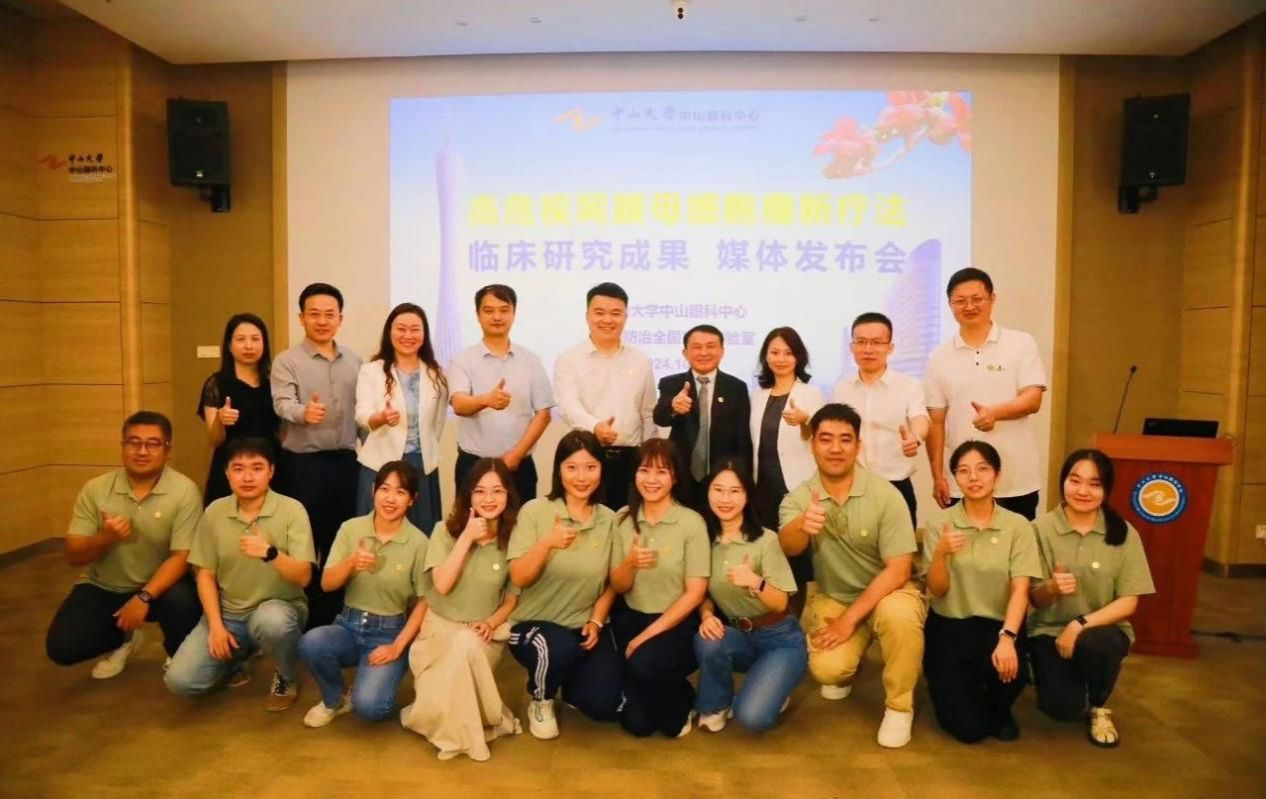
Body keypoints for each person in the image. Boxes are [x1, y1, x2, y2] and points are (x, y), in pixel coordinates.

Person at [779, 403, 925, 749]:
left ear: (858, 445)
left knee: (899, 617)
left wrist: (848, 621)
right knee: (828, 670)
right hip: (836, 596)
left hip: (890, 592)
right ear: (812, 444)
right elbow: (788, 546)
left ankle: (899, 707)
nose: (835, 448)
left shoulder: (886, 494)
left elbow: (899, 568)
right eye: (826, 439)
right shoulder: (800, 497)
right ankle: (851, 664)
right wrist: (802, 525)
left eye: (845, 440)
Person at [45, 411, 203, 678]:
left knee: (183, 601)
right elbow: (73, 556)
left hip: (162, 587)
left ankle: (178, 653)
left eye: (153, 444)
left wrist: (143, 597)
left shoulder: (184, 490)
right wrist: (106, 537)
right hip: (105, 585)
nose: (142, 451)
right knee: (62, 647)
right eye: (134, 442)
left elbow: (181, 557)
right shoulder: (96, 489)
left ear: (167, 449)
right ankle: (123, 638)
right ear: (123, 446)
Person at [165, 438, 316, 711]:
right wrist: (216, 627)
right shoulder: (215, 511)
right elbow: (205, 574)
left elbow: (304, 577)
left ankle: (286, 675)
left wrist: (270, 553)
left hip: (281, 607)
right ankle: (237, 659)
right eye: (238, 468)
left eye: (257, 468)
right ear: (226, 473)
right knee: (180, 681)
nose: (247, 477)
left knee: (271, 622)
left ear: (271, 471)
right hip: (230, 614)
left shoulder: (292, 509)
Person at [1029, 449, 1156, 748]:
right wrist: (1052, 587)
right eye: (1075, 480)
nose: (1083, 491)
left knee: (1101, 643)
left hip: (1100, 631)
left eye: (1094, 483)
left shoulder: (1124, 533)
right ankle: (1053, 675)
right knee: (1063, 709)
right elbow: (1034, 599)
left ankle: (1099, 704)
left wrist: (1079, 625)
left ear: (1106, 489)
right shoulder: (1039, 530)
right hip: (1048, 630)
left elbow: (1129, 601)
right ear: (1063, 482)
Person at [922, 441, 1043, 743]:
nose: (973, 477)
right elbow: (937, 590)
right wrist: (940, 554)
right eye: (963, 471)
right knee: (968, 730)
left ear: (997, 475)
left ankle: (999, 707)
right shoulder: (940, 524)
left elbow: (1021, 590)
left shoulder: (1018, 526)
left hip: (999, 625)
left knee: (1010, 672)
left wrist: (1008, 638)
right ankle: (971, 695)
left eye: (982, 469)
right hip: (950, 625)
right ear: (954, 478)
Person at [402, 459, 522, 761]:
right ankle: (476, 728)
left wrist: (490, 623)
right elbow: (441, 585)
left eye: (497, 491)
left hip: (484, 634)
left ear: (508, 495)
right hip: (438, 631)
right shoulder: (444, 531)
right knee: (435, 705)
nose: (489, 499)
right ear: (468, 495)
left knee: (466, 644)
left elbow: (512, 598)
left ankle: (467, 740)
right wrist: (467, 537)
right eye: (480, 491)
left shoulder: (514, 538)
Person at [507, 431, 624, 740]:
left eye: (590, 467)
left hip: (582, 629)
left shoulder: (608, 519)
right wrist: (545, 544)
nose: (582, 477)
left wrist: (596, 621)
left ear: (601, 469)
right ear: (558, 470)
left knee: (605, 704)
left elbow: (611, 583)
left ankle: (569, 682)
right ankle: (541, 697)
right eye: (572, 467)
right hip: (532, 627)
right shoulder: (535, 511)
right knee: (558, 648)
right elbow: (518, 577)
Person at [297, 460, 429, 728]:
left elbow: (425, 602)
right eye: (384, 489)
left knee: (371, 708)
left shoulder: (419, 542)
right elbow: (327, 584)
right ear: (373, 491)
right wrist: (351, 563)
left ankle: (367, 686)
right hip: (348, 624)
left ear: (412, 500)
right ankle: (335, 698)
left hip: (389, 632)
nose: (390, 498)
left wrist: (397, 646)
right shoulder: (351, 528)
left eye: (400, 492)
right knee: (311, 643)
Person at [271, 282, 362, 627]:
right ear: (301, 318)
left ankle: (336, 616)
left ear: (340, 318)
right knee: (305, 541)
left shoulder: (355, 361)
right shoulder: (287, 361)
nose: (322, 321)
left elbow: (363, 413)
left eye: (329, 314)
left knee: (340, 539)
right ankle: (307, 617)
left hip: (346, 463)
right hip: (303, 465)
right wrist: (302, 413)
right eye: (314, 314)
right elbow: (282, 403)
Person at [925, 268, 1047, 520]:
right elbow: (936, 423)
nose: (969, 306)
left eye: (977, 299)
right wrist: (938, 476)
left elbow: (1033, 399)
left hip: (1015, 479)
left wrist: (995, 413)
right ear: (950, 304)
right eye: (960, 301)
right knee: (964, 543)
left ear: (992, 298)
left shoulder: (1021, 343)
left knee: (1018, 542)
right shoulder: (938, 357)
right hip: (963, 481)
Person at [693, 460, 805, 733]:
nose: (725, 499)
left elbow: (781, 603)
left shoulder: (766, 539)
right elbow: (702, 591)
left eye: (735, 491)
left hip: (780, 638)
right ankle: (717, 704)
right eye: (718, 490)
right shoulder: (703, 540)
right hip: (740, 634)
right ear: (707, 493)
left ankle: (775, 686)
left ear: (747, 496)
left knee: (752, 717)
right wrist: (706, 615)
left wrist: (755, 582)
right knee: (707, 640)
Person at [609, 439, 709, 738]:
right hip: (632, 618)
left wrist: (644, 638)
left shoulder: (691, 522)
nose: (651, 479)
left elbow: (695, 592)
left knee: (669, 722)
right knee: (637, 725)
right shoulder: (622, 519)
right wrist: (630, 563)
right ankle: (652, 682)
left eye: (661, 471)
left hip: (676, 623)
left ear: (675, 477)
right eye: (644, 470)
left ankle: (684, 695)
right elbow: (619, 585)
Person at [554, 282, 657, 510]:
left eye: (616, 313)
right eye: (599, 313)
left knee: (628, 522)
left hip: (632, 460)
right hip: (585, 459)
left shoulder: (641, 360)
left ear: (626, 317)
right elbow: (568, 404)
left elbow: (648, 412)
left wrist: (650, 457)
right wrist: (595, 427)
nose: (607, 320)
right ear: (587, 316)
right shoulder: (569, 359)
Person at [448, 284, 554, 503]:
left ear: (514, 313)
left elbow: (543, 414)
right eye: (489, 310)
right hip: (473, 465)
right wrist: (486, 400)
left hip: (519, 465)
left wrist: (515, 456)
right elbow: (459, 404)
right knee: (471, 523)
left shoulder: (530, 360)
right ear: (478, 315)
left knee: (522, 523)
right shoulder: (462, 360)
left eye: (504, 310)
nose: (497, 317)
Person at [355, 302, 448, 534]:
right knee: (376, 534)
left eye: (415, 329)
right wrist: (381, 418)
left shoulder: (436, 374)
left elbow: (437, 425)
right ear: (390, 332)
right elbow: (362, 414)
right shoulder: (371, 371)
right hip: (380, 465)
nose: (408, 335)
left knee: (421, 534)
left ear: (424, 334)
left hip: (421, 466)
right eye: (401, 329)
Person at [832, 312, 928, 526]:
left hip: (895, 485)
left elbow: (920, 417)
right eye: (861, 342)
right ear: (851, 347)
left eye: (876, 342)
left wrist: (915, 437)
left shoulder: (909, 385)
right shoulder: (841, 387)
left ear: (890, 347)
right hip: (852, 486)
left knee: (900, 545)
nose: (868, 349)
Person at [749, 326, 824, 594]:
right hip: (762, 487)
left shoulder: (812, 394)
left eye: (788, 353)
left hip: (794, 487)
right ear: (765, 356)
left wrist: (805, 420)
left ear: (798, 357)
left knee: (798, 555)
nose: (781, 359)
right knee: (769, 552)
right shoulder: (757, 396)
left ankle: (797, 608)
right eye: (775, 352)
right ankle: (774, 605)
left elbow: (817, 436)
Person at [653, 325, 752, 504]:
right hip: (681, 476)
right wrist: (673, 406)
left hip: (722, 479)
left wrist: (744, 477)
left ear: (722, 351)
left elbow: (743, 438)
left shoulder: (736, 387)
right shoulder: (672, 383)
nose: (704, 353)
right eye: (697, 347)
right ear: (685, 353)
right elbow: (659, 417)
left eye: (710, 346)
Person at [197, 313, 281, 505]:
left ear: (264, 344)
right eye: (241, 339)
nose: (249, 346)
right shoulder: (216, 383)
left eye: (255, 339)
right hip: (232, 467)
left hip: (271, 465)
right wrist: (220, 420)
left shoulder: (275, 382)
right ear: (229, 345)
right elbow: (215, 439)